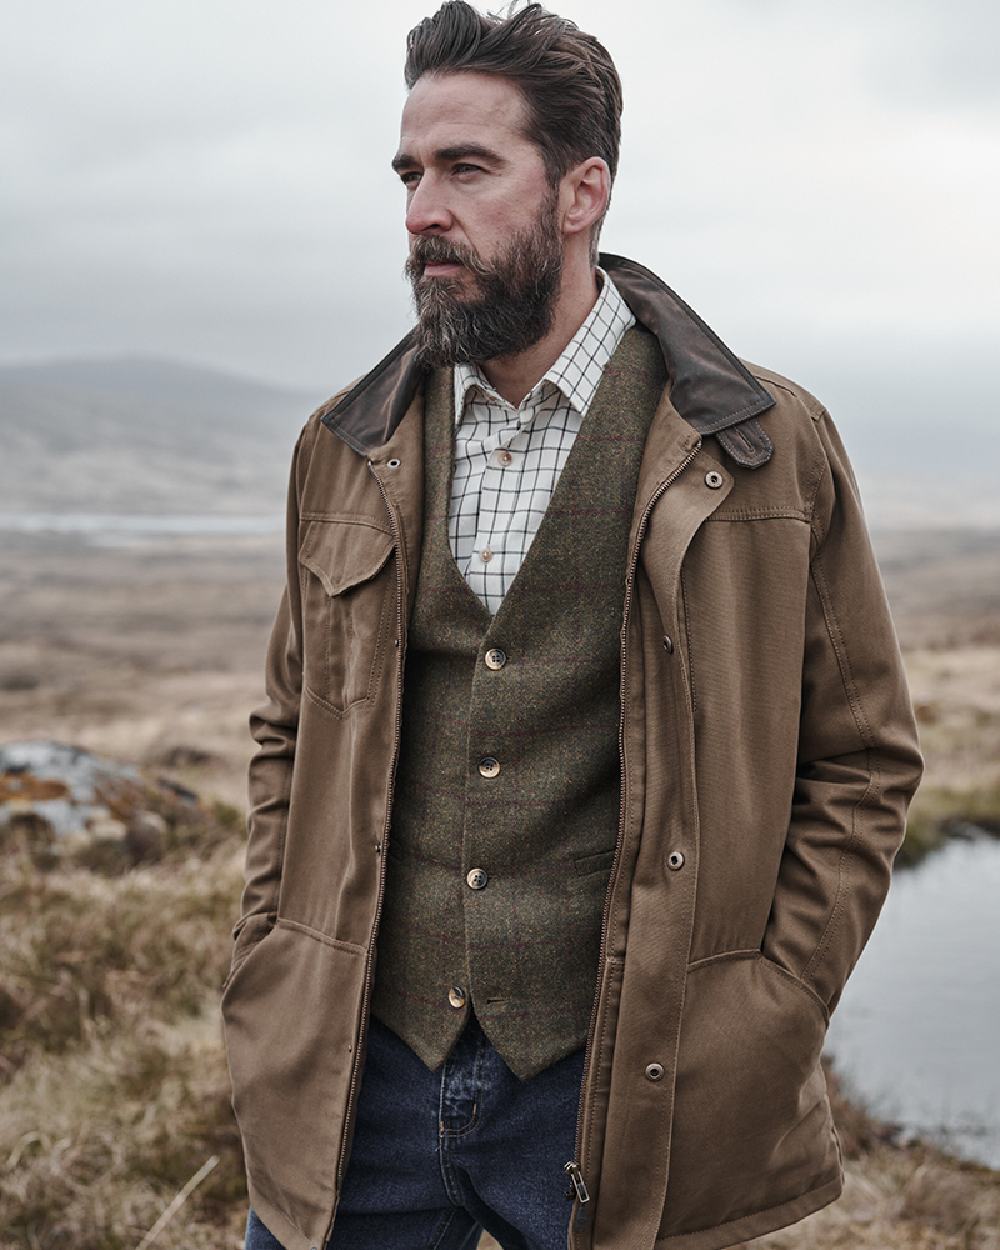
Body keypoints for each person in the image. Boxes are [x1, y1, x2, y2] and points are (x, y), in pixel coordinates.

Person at [221, 4, 925, 1249]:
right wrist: (273, 949)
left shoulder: (765, 444)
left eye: (466, 169)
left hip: (633, 1085)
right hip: (358, 1079)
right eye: (409, 173)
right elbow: (290, 727)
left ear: (583, 189)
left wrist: (774, 999)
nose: (419, 211)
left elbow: (862, 758)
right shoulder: (344, 443)